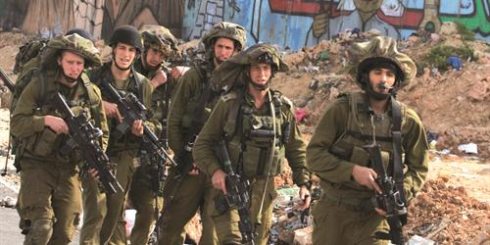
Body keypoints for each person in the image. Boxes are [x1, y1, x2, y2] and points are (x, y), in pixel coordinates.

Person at [307, 36, 429, 244]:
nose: (383, 80)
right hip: (334, 214)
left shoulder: (407, 121)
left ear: (396, 82)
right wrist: (352, 171)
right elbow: (314, 155)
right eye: (378, 72)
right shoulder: (342, 110)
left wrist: (398, 195)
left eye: (390, 74)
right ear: (366, 76)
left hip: (375, 220)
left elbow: (419, 169)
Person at [193, 43, 311, 245]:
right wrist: (216, 172)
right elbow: (202, 144)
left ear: (272, 72)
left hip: (263, 193)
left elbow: (295, 148)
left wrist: (303, 183)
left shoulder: (282, 108)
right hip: (230, 189)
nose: (261, 73)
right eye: (256, 68)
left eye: (266, 68)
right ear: (247, 71)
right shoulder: (229, 104)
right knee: (233, 240)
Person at [11, 33, 107, 244]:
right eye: (70, 62)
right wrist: (45, 121)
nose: (74, 68)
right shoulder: (40, 85)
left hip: (68, 168)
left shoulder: (92, 94)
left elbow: (102, 132)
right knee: (41, 227)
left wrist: (95, 160)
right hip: (36, 163)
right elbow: (17, 123)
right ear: (59, 60)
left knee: (65, 232)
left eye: (79, 63)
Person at [158, 21, 246, 244]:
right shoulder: (194, 77)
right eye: (220, 47)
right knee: (171, 224)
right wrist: (187, 156)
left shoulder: (241, 83)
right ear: (212, 47)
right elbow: (175, 119)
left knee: (213, 231)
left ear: (236, 51)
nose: (224, 53)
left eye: (229, 48)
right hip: (190, 167)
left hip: (221, 168)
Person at [79, 25, 157, 245]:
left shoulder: (143, 85)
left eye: (131, 51)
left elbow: (153, 121)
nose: (126, 55)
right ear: (113, 50)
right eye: (122, 48)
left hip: (124, 155)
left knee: (113, 213)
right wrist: (102, 106)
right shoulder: (92, 77)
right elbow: (75, 104)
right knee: (95, 212)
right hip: (95, 150)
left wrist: (141, 128)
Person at [120, 24, 181, 245]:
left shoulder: (168, 77)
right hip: (123, 147)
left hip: (152, 151)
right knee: (115, 207)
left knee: (147, 211)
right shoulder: (128, 69)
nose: (157, 58)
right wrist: (153, 84)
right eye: (154, 52)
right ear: (144, 49)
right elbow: (125, 103)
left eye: (162, 54)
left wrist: (178, 77)